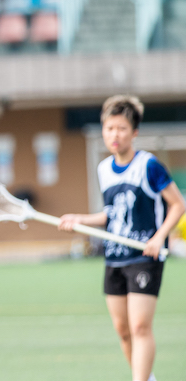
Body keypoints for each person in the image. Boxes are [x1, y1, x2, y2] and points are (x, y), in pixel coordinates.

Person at [59, 94, 185, 381]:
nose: (114, 135)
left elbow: (178, 205)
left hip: (145, 256)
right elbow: (111, 214)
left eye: (121, 128)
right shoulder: (105, 169)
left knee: (140, 326)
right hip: (115, 256)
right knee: (123, 330)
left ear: (135, 132)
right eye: (109, 128)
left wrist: (159, 238)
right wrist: (80, 220)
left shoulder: (148, 166)